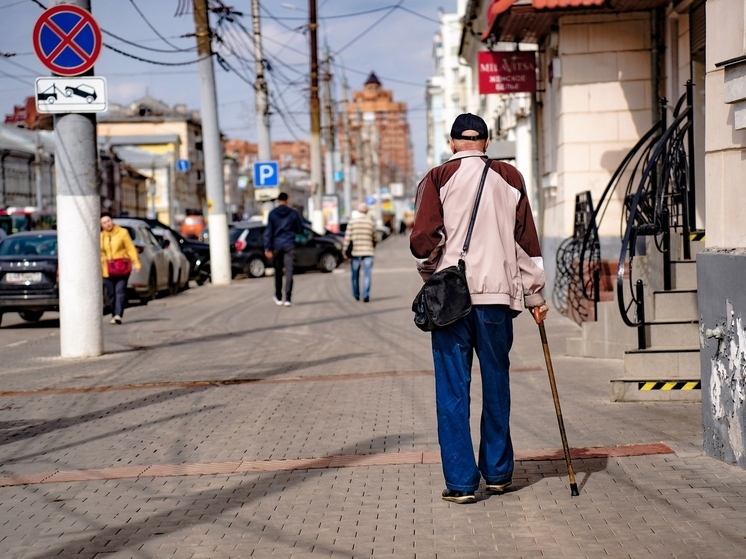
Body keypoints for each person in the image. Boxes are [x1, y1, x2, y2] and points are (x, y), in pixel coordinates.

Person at [410, 113, 549, 505]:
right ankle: (500, 474)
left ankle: (461, 484)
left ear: (452, 143)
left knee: (453, 391)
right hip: (498, 301)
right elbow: (526, 245)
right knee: (496, 385)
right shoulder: (510, 177)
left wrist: (433, 267)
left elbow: (423, 240)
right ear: (486, 142)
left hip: (452, 300)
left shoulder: (437, 178)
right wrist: (535, 295)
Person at [100, 212, 141, 325]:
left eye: (108, 221)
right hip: (107, 269)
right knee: (111, 293)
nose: (107, 224)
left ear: (112, 221)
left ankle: (118, 314)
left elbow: (130, 248)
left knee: (120, 291)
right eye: (104, 222)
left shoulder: (122, 233)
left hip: (121, 267)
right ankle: (114, 314)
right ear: (101, 225)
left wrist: (136, 263)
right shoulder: (100, 236)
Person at [264, 192, 303, 306]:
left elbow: (269, 232)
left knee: (278, 271)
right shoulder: (293, 213)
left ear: (277, 201)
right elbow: (299, 229)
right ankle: (288, 298)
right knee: (289, 271)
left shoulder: (272, 214)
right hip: (289, 245)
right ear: (287, 200)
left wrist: (267, 248)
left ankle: (278, 295)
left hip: (276, 245)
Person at [343, 203, 377, 302]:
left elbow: (347, 238)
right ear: (366, 212)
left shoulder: (352, 223)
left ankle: (356, 294)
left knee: (355, 274)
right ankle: (366, 295)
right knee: (367, 274)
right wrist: (373, 246)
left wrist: (345, 251)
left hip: (355, 252)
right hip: (368, 251)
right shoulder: (370, 223)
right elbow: (375, 238)